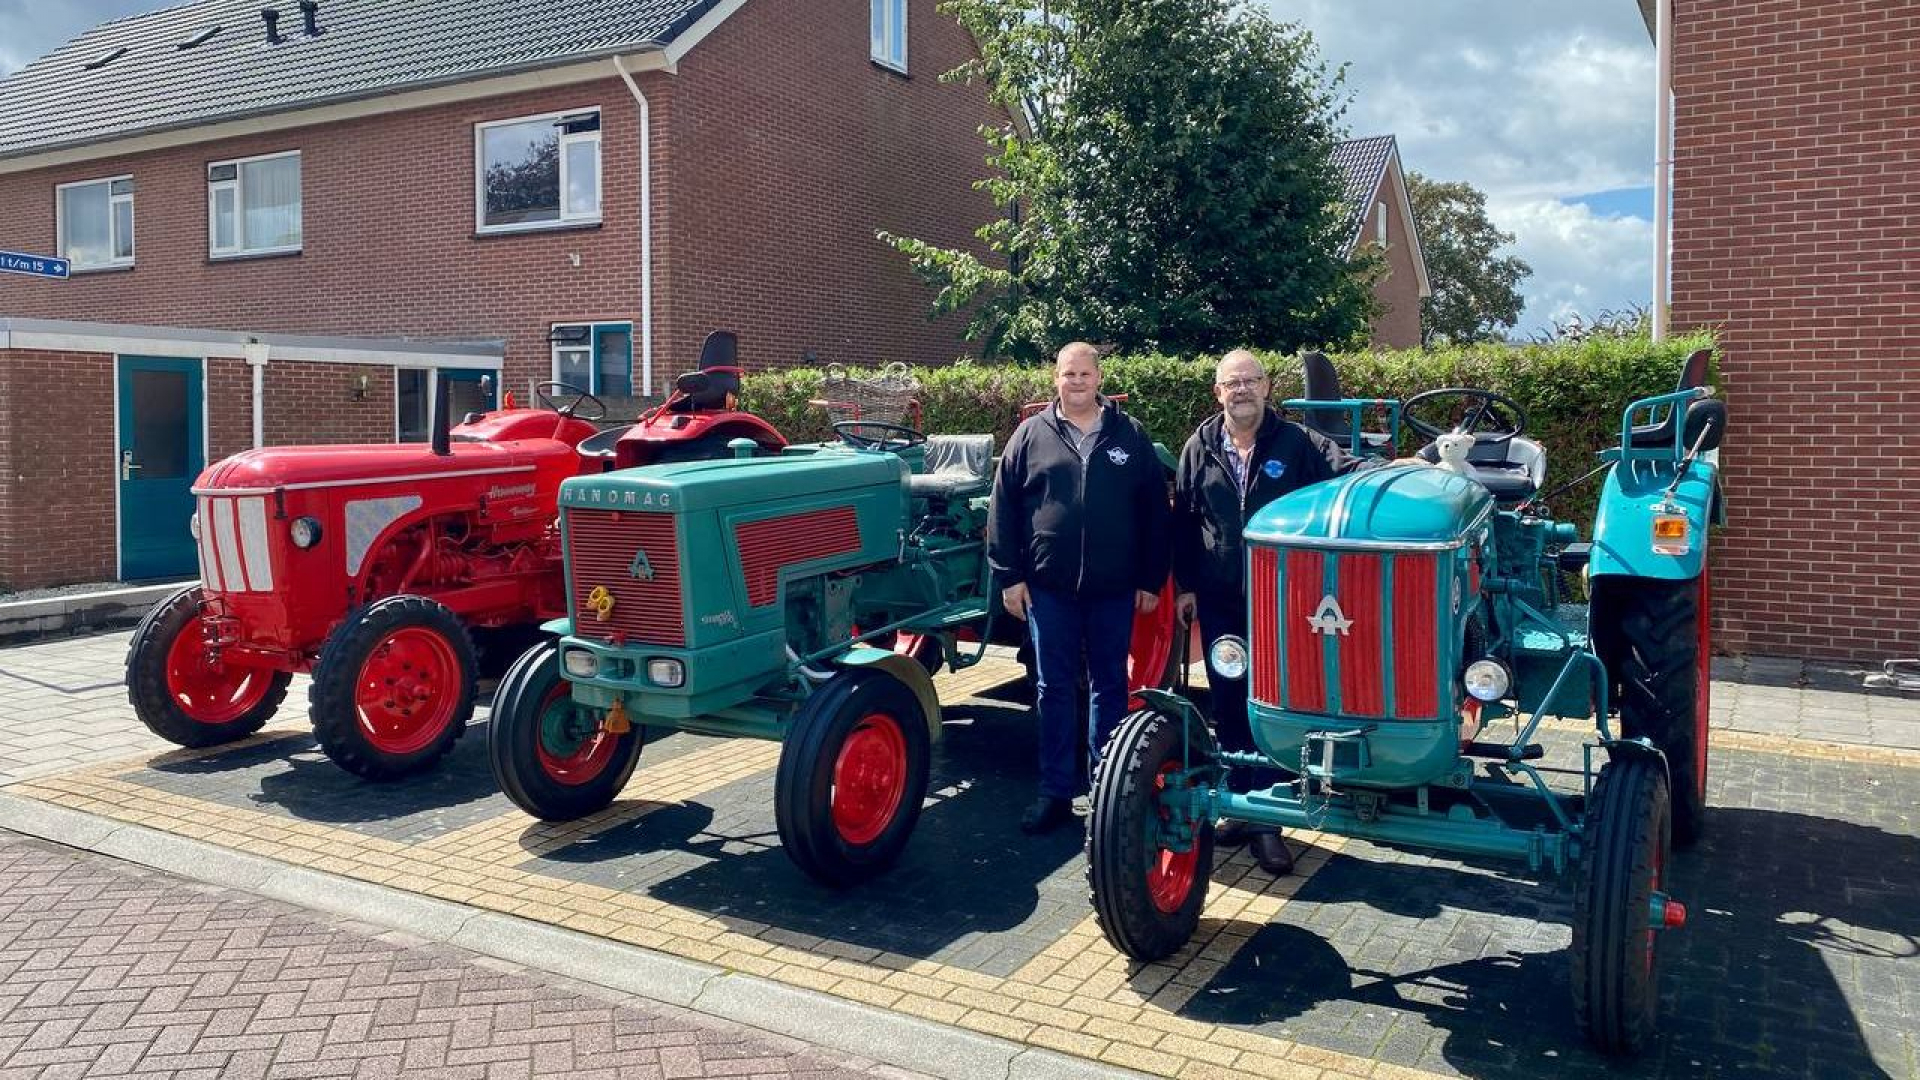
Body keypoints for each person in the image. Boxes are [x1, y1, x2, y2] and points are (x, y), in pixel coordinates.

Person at [1171, 349, 1377, 874]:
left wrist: (1395, 468)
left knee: (1277, 700)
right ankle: (1245, 808)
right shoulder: (1200, 446)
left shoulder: (1299, 443)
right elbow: (1185, 522)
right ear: (1218, 393)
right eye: (1230, 383)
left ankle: (1270, 819)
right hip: (1220, 599)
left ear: (1266, 387)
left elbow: (1350, 471)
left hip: (1283, 598)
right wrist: (1187, 587)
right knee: (1230, 699)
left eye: (1249, 381)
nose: (1240, 390)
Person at [988, 342, 1171, 835]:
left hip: (1113, 590)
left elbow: (1155, 513)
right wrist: (1010, 578)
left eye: (1085, 373)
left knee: (1110, 685)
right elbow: (1002, 508)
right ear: (1056, 379)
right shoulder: (1030, 436)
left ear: (1099, 377)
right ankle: (1054, 793)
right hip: (1049, 591)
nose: (1077, 381)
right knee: (1052, 688)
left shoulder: (1129, 436)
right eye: (1069, 374)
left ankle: (1104, 789)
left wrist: (1150, 580)